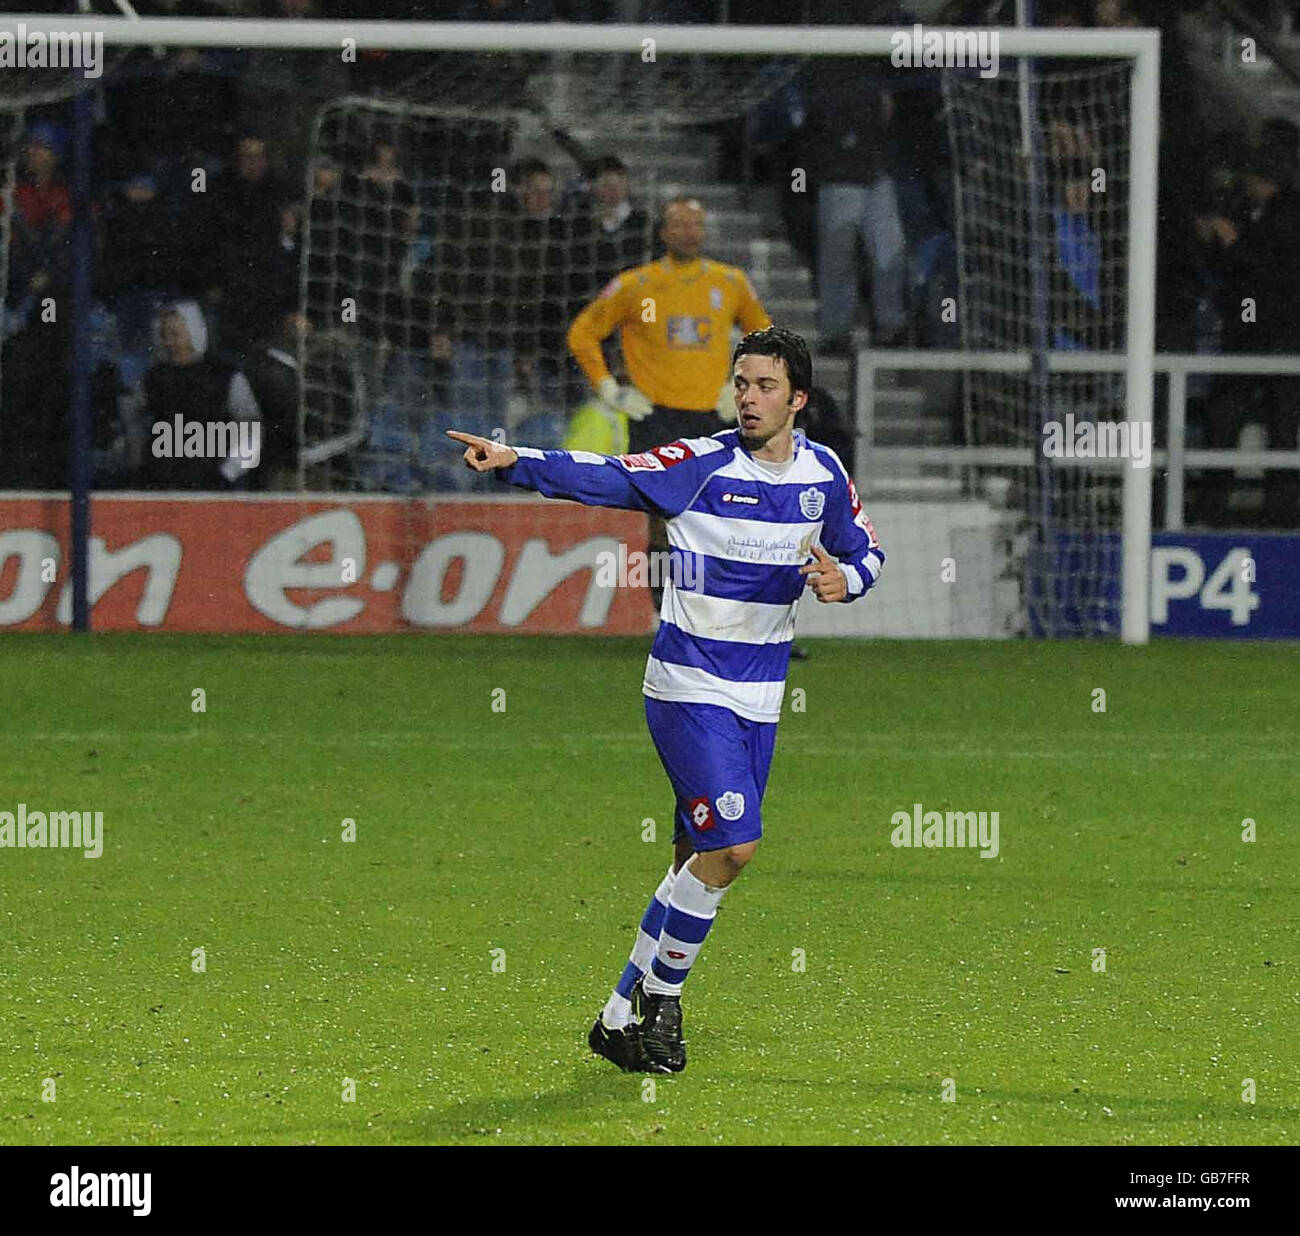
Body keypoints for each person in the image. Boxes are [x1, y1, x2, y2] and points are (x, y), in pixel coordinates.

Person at [447, 326, 885, 1073]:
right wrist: (517, 461)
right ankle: (666, 1000)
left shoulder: (823, 474)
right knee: (733, 848)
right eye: (741, 384)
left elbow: (863, 547)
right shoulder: (700, 463)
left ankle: (619, 1014)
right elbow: (609, 475)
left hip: (760, 697)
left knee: (694, 860)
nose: (748, 398)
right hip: (687, 687)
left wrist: (852, 581)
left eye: (765, 386)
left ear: (798, 399)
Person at [566, 196, 772, 618]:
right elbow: (583, 333)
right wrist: (609, 388)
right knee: (662, 521)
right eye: (679, 224)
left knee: (723, 517)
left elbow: (764, 335)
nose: (688, 232)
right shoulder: (637, 285)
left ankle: (731, 617)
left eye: (695, 224)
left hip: (713, 417)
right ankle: (665, 616)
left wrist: (741, 388)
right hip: (655, 416)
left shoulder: (728, 282)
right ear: (663, 233)